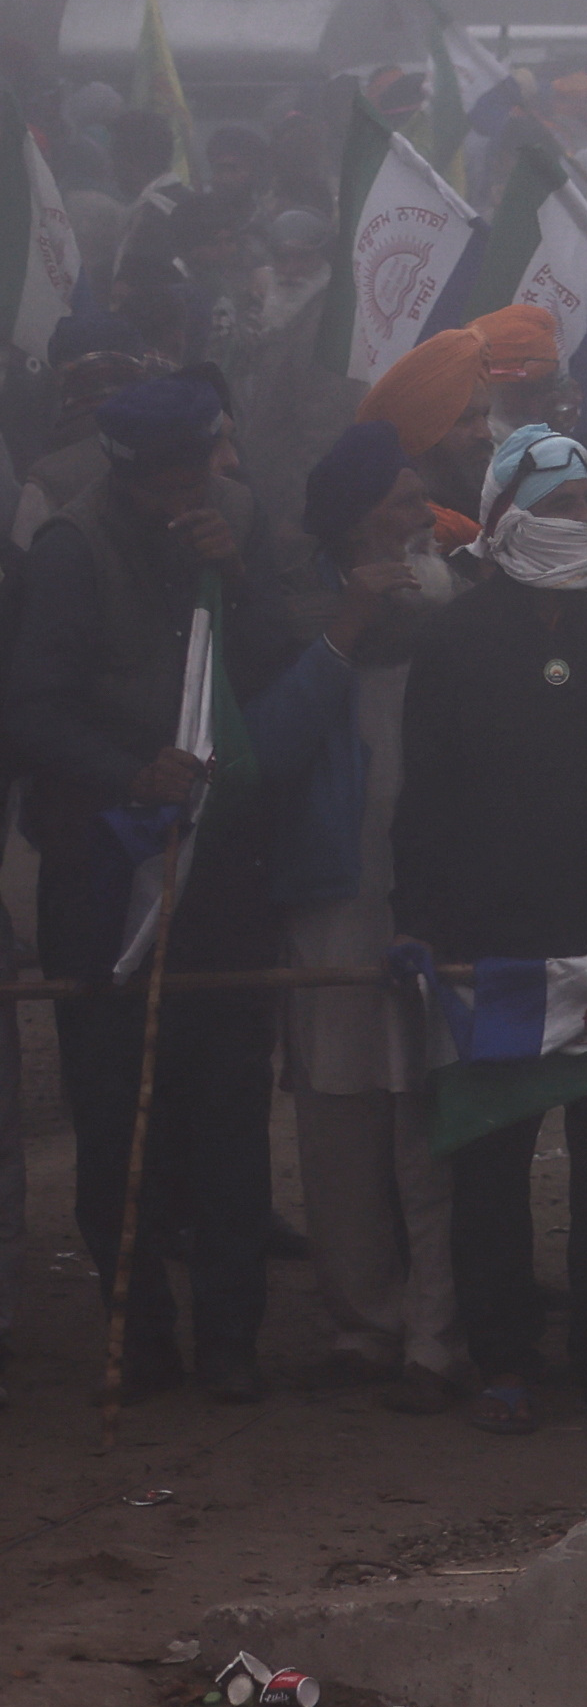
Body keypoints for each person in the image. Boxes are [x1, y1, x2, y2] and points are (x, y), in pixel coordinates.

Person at [15, 371, 314, 1400]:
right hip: (104, 863)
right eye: (166, 485)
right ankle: (139, 1331)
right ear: (129, 472)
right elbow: (32, 711)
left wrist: (236, 578)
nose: (186, 498)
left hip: (222, 864)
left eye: (200, 474)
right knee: (115, 1114)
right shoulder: (70, 548)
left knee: (231, 1112)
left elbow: (277, 656)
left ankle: (231, 1339)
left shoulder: (237, 517)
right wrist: (126, 773)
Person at [398, 428, 587, 1435]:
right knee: (491, 1155)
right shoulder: (452, 640)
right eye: (561, 500)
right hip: (494, 947)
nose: (583, 518)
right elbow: (426, 800)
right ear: (505, 515)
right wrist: (427, 930)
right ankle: (503, 1357)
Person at [276, 422, 463, 1406]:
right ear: (354, 517)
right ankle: (362, 1319)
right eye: (400, 499)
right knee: (339, 1106)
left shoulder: (454, 610)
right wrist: (343, 623)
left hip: (425, 884)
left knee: (424, 1105)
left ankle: (436, 1325)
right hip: (330, 888)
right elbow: (265, 749)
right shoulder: (295, 613)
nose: (422, 514)